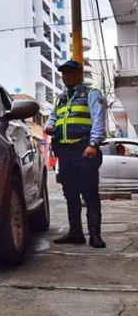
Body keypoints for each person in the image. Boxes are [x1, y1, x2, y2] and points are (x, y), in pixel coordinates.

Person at [44, 60, 107, 248]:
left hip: (85, 149)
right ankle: (76, 233)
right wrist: (49, 125)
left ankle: (95, 235)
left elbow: (98, 119)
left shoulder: (91, 93)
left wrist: (94, 144)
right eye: (63, 74)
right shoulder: (61, 98)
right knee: (70, 194)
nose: (66, 76)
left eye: (70, 73)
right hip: (65, 152)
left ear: (79, 74)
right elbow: (53, 117)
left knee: (90, 193)